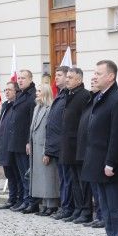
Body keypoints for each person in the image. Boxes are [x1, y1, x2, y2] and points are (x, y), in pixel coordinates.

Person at [82, 60, 118, 236]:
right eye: (94, 72)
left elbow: (117, 135)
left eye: (98, 73)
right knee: (104, 207)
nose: (94, 76)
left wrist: (110, 163)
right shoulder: (100, 97)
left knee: (115, 207)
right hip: (96, 162)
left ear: (110, 76)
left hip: (108, 164)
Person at [58, 67, 91, 224]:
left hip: (78, 147)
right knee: (74, 181)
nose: (67, 80)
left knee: (82, 181)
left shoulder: (84, 96)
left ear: (79, 79)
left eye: (70, 77)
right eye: (67, 77)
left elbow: (84, 123)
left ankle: (86, 210)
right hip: (68, 146)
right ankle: (78, 209)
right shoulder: (68, 94)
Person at [43, 66, 73, 220]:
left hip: (64, 146)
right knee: (63, 179)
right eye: (56, 75)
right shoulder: (60, 95)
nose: (57, 78)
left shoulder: (68, 96)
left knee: (67, 180)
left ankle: (67, 207)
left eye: (60, 75)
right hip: (56, 146)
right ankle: (65, 206)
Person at [26, 84, 59, 216]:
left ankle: (52, 205)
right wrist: (29, 142)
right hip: (35, 147)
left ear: (45, 93)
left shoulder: (50, 108)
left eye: (39, 91)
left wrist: (47, 151)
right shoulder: (36, 108)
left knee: (49, 177)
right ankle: (45, 204)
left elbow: (49, 131)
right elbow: (33, 128)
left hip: (44, 147)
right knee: (41, 178)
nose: (36, 93)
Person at [8, 70, 37, 212]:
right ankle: (24, 199)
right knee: (21, 174)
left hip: (24, 143)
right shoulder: (20, 95)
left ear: (30, 79)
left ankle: (31, 201)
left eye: (23, 78)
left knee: (27, 174)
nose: (20, 80)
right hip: (16, 141)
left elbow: (32, 121)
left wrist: (28, 141)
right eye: (18, 78)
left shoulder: (32, 96)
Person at [79, 78, 104, 229]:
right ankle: (99, 214)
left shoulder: (100, 100)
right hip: (88, 150)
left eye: (95, 81)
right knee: (94, 187)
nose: (92, 83)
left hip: (98, 151)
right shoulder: (91, 100)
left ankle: (101, 215)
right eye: (92, 81)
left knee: (99, 187)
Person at [0, 81, 23, 210]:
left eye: (9, 90)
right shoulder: (6, 105)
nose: (6, 92)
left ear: (16, 91)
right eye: (5, 90)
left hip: (13, 145)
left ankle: (19, 198)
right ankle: (11, 199)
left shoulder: (17, 106)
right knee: (9, 174)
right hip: (4, 144)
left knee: (17, 174)